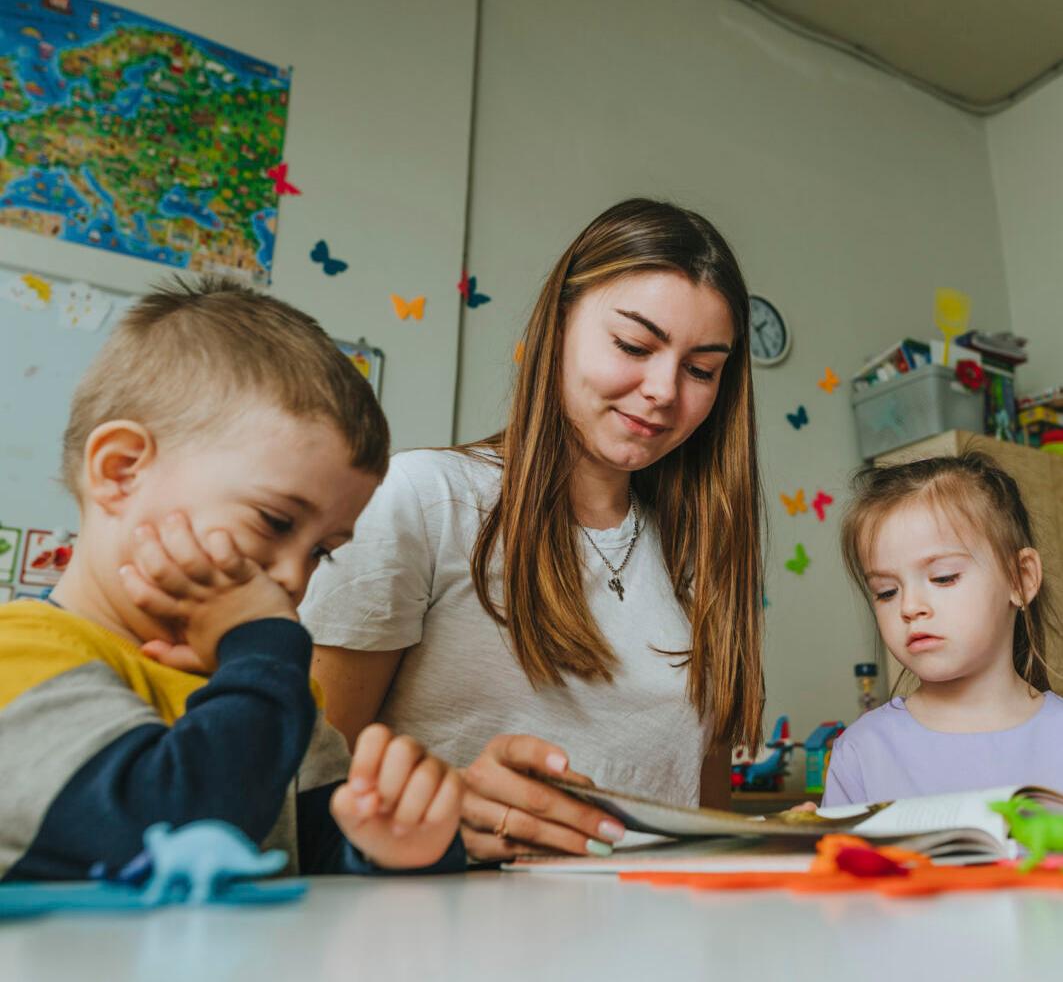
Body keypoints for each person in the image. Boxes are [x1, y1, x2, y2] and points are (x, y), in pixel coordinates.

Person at [303, 198, 765, 861]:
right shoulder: (424, 500)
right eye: (633, 345)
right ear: (558, 324)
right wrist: (442, 815)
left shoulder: (700, 554)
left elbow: (708, 829)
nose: (664, 389)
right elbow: (300, 797)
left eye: (700, 369)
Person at [0, 278, 463, 881]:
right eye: (274, 521)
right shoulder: (21, 654)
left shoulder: (273, 688)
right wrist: (262, 642)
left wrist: (393, 845)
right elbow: (173, 837)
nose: (294, 577)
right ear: (120, 471)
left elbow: (316, 868)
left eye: (323, 552)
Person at [823, 452, 1063, 806]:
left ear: (1021, 578)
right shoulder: (862, 750)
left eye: (943, 577)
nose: (908, 607)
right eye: (886, 592)